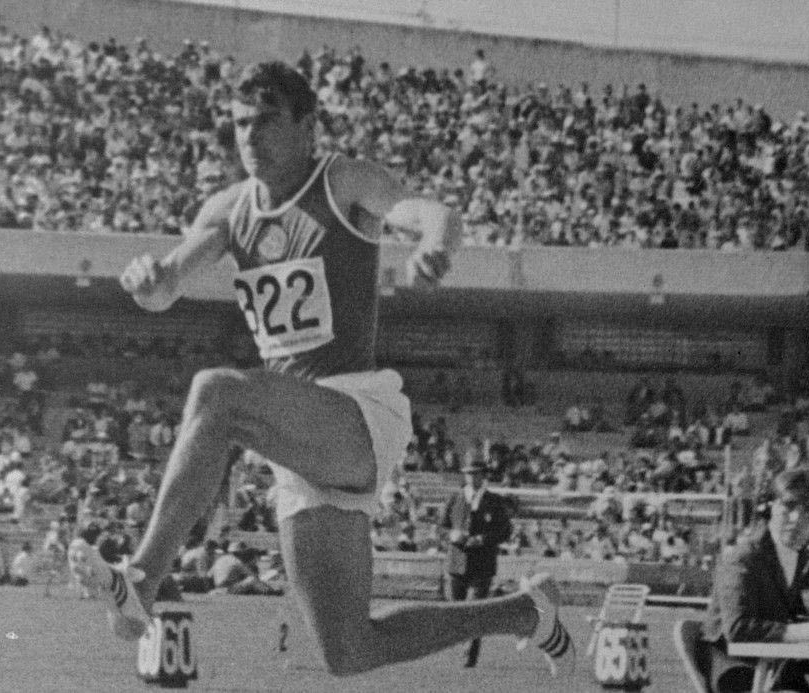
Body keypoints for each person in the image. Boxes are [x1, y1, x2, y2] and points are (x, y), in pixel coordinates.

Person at [69, 60, 573, 678]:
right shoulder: (227, 210)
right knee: (349, 649)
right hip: (297, 441)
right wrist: (146, 280)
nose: (250, 136)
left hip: (357, 413)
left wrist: (434, 246)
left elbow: (430, 212)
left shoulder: (342, 181)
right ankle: (525, 612)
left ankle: (141, 581)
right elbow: (167, 285)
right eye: (241, 124)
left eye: (266, 121)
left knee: (216, 393)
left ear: (307, 126)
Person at [702, 468, 809, 692]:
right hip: (735, 668)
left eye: (808, 509)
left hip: (779, 666)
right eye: (789, 506)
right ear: (770, 507)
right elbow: (738, 628)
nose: (797, 518)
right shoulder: (742, 558)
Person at [441, 459, 514, 667]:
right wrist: (452, 535)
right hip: (456, 564)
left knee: (475, 609)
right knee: (456, 611)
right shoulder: (454, 499)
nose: (472, 478)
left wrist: (483, 539)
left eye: (476, 474)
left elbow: (505, 531)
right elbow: (441, 527)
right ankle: (462, 643)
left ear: (483, 476)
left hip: (482, 566)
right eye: (469, 474)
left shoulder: (495, 501)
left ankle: (470, 655)